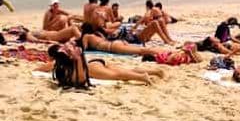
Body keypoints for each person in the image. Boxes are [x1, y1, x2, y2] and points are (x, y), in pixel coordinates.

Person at [37, 43, 167, 86]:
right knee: (126, 70)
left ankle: (142, 77)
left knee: (117, 75)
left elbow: (82, 77)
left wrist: (37, 69)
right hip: (95, 62)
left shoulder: (58, 62)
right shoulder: (67, 54)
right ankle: (155, 72)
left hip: (92, 68)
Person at [78, 24, 161, 57]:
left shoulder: (86, 36)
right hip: (117, 42)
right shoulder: (98, 34)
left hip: (113, 47)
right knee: (143, 50)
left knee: (142, 51)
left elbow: (83, 48)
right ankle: (166, 51)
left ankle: (167, 52)